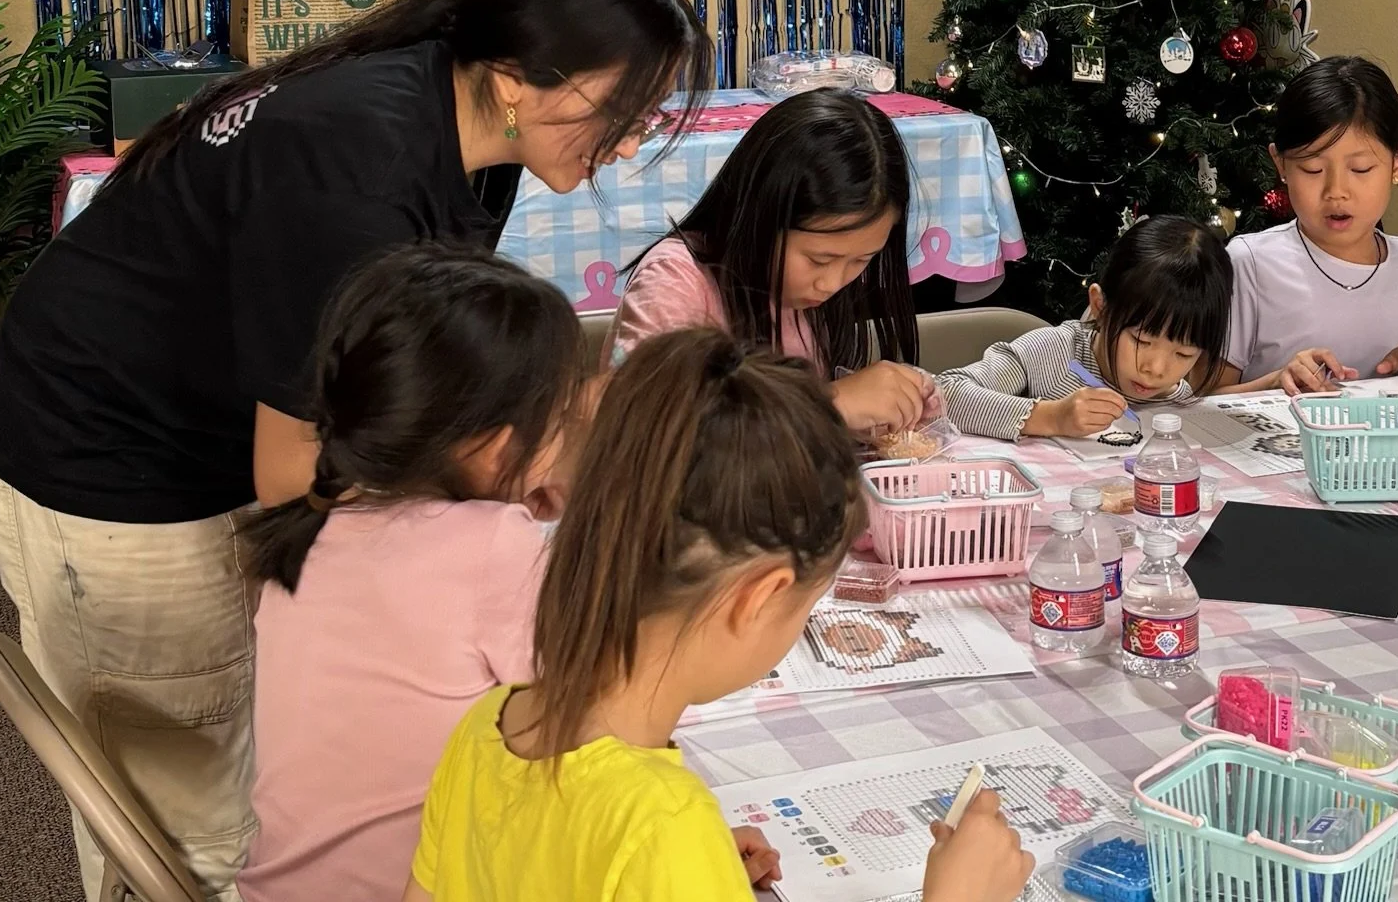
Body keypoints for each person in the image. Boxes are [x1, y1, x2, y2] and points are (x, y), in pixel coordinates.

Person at [0, 0, 708, 901]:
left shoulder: (467, 129)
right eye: (625, 106)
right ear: (516, 77)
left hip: (206, 420)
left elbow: (407, 365)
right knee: (201, 825)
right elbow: (293, 474)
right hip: (112, 453)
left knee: (259, 748)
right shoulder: (351, 161)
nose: (634, 135)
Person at [406, 328, 1034, 902]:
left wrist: (693, 871)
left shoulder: (487, 725)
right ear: (758, 598)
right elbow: (635, 841)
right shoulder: (663, 828)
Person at [238, 245, 589, 902]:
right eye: (560, 419)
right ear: (493, 450)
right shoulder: (492, 548)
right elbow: (593, 717)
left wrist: (513, 499)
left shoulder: (317, 515)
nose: (566, 435)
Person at [608, 89, 934, 436]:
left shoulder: (808, 300)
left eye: (861, 260)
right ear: (758, 221)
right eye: (819, 259)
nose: (832, 283)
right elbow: (644, 434)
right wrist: (827, 405)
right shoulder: (675, 283)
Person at [1217, 56, 1398, 394]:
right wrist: (1275, 381)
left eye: (1360, 169)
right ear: (1280, 164)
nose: (1336, 192)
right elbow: (1203, 403)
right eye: (1313, 169)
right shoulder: (1251, 263)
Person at [937, 215, 1232, 441]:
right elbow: (946, 395)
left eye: (1183, 354)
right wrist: (1052, 418)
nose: (1156, 369)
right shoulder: (1051, 354)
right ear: (1100, 307)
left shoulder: (1175, 397)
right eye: (1141, 341)